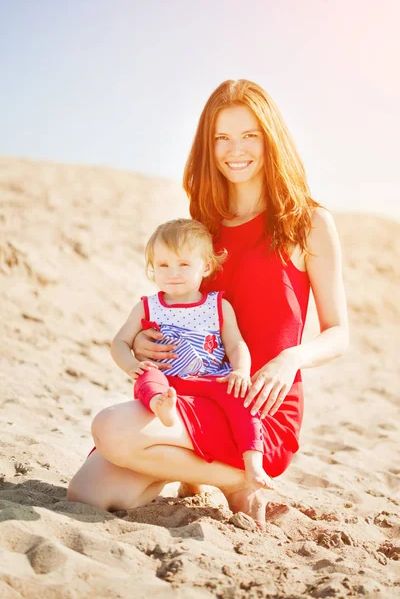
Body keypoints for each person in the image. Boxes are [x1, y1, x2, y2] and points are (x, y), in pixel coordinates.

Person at [67, 79, 348, 527]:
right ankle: (212, 472)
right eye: (222, 138)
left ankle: (237, 478)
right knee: (88, 493)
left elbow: (339, 333)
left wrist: (290, 359)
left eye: (249, 135)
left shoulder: (307, 222)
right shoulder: (203, 224)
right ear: (208, 144)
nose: (235, 149)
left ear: (270, 138)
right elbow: (178, 302)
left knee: (112, 428)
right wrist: (141, 341)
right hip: (190, 392)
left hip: (256, 407)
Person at [110, 218, 274, 489]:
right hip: (169, 382)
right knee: (148, 378)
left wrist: (241, 371)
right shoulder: (148, 307)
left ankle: (253, 464)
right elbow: (119, 343)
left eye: (184, 264)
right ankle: (160, 408)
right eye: (163, 265)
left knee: (242, 401)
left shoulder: (218, 305)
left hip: (211, 379)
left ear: (206, 266)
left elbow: (235, 344)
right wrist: (131, 366)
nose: (172, 273)